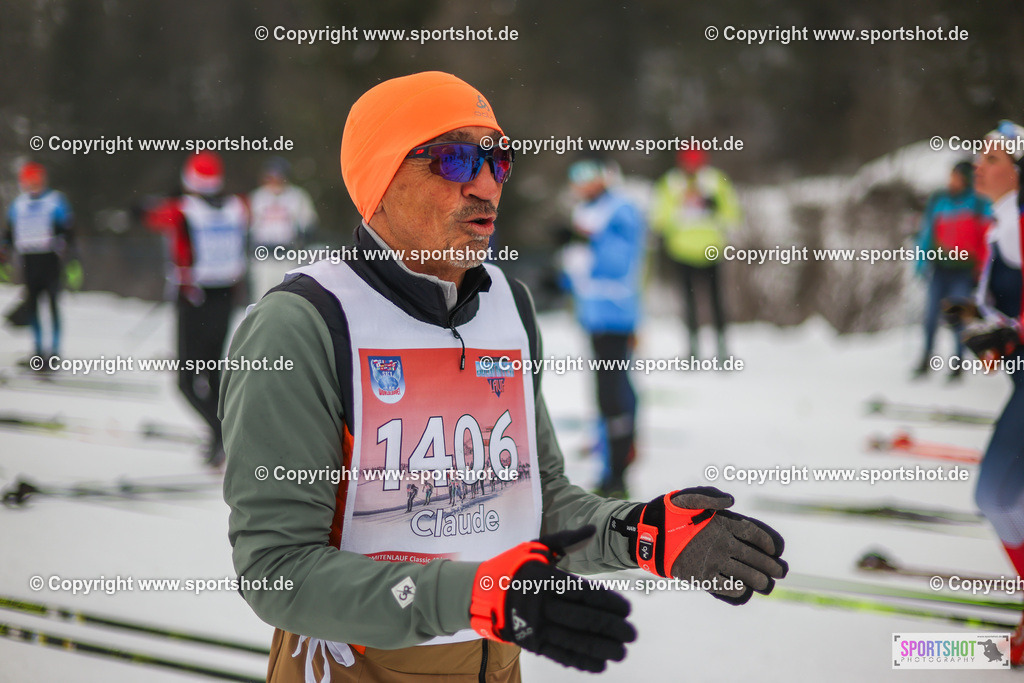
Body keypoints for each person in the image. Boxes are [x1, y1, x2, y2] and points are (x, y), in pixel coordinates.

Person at [220, 71, 787, 682]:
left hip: (498, 663)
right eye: (457, 159)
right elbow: (277, 570)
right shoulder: (302, 326)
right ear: (380, 179)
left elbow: (536, 501)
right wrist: (472, 595)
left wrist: (642, 533)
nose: (487, 184)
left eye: (499, 159)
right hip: (358, 668)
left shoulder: (507, 307)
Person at [143, 151, 248, 466]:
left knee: (186, 381)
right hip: (225, 296)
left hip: (194, 298)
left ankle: (220, 435)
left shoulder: (182, 209)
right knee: (212, 373)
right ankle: (221, 435)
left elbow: (151, 218)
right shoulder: (236, 207)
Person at [967, 120, 1024, 665]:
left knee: (996, 495)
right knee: (1001, 498)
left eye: (992, 157)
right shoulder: (1002, 224)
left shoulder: (1018, 224)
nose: (979, 165)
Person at [561, 158, 646, 498]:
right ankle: (610, 455)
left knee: (614, 393)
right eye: (575, 177)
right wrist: (562, 280)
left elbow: (618, 261)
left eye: (587, 175)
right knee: (603, 392)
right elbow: (578, 265)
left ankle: (618, 471)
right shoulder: (586, 211)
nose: (581, 184)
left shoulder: (620, 210)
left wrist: (585, 244)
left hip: (617, 315)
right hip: (593, 315)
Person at [650, 148, 741, 358]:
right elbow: (658, 219)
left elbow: (733, 215)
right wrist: (679, 209)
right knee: (688, 303)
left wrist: (714, 206)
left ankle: (722, 348)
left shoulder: (715, 182)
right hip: (682, 251)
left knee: (717, 301)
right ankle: (693, 349)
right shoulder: (670, 184)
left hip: (711, 250)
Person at [913, 160, 993, 380]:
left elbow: (987, 239)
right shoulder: (939, 200)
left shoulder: (978, 203)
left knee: (958, 317)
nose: (952, 181)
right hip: (939, 268)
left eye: (957, 177)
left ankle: (957, 362)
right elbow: (927, 234)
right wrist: (921, 262)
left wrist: (982, 270)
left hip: (964, 271)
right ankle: (926, 357)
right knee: (930, 316)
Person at [2, 162, 74, 362]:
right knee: (32, 306)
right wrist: (4, 257)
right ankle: (38, 350)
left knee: (52, 305)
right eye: (29, 181)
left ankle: (55, 351)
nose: (33, 184)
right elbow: (9, 234)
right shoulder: (19, 205)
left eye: (36, 180)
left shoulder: (55, 201)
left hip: (50, 260)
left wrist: (72, 258)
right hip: (29, 261)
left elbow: (68, 231)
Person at [249, 157, 318, 299]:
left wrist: (302, 241)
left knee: (288, 296)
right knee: (261, 298)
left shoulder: (297, 196)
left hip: (288, 255)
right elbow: (248, 227)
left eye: (278, 176)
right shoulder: (257, 197)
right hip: (263, 256)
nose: (274, 180)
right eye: (271, 176)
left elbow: (308, 224)